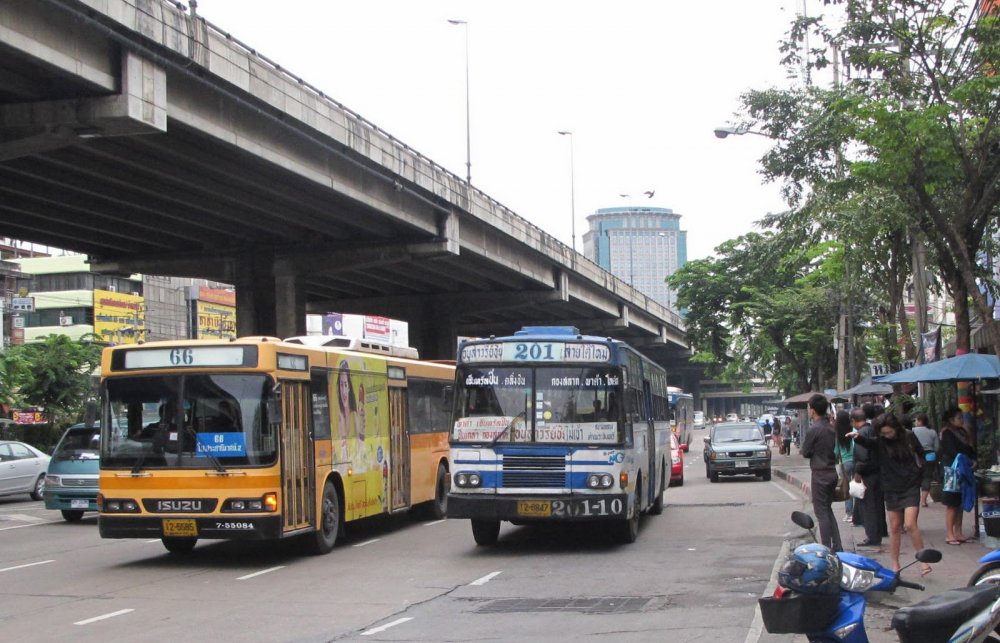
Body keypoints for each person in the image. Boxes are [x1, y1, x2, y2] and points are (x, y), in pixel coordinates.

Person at [849, 413, 930, 575]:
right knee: (894, 527)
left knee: (910, 524)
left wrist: (922, 475)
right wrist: (858, 438)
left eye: (888, 432)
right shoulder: (880, 441)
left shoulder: (908, 436)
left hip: (910, 485)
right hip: (891, 487)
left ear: (895, 428)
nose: (886, 435)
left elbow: (921, 454)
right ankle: (895, 564)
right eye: (883, 433)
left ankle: (923, 561)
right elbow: (869, 443)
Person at [801, 394, 842, 552]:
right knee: (827, 510)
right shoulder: (831, 427)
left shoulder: (815, 429)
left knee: (821, 512)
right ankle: (837, 545)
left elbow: (806, 451)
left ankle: (826, 548)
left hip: (820, 474)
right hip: (831, 472)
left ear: (813, 410)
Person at [940, 406, 977, 545]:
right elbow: (952, 452)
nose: (962, 420)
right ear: (951, 420)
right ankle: (949, 534)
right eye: (959, 418)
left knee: (960, 502)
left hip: (965, 470)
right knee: (952, 502)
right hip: (952, 471)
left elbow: (970, 449)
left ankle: (958, 532)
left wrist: (973, 461)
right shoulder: (946, 433)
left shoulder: (962, 432)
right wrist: (966, 461)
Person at [853, 405, 888, 548]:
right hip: (878, 472)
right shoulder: (873, 429)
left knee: (869, 507)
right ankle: (880, 531)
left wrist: (858, 473)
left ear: (854, 421)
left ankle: (873, 536)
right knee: (878, 505)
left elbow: (862, 457)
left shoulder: (861, 434)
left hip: (868, 474)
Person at [911, 412, 939, 508]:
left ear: (920, 421)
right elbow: (937, 447)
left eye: (916, 420)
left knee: (915, 477)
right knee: (927, 477)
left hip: (916, 455)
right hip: (930, 455)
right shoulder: (932, 432)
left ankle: (914, 500)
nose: (915, 422)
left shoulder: (912, 431)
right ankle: (923, 501)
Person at [833, 410, 857, 524]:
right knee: (857, 487)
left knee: (846, 489)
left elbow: (836, 452)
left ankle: (849, 513)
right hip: (856, 461)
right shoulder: (853, 430)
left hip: (845, 463)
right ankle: (858, 513)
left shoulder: (838, 434)